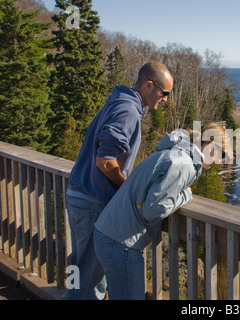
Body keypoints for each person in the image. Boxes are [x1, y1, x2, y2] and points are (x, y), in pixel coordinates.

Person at [65, 61, 174, 300]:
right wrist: (128, 189)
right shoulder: (127, 110)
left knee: (83, 273)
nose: (165, 99)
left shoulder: (120, 101)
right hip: (93, 200)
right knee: (86, 284)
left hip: (80, 196)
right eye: (164, 93)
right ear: (149, 85)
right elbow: (104, 161)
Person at [93, 123, 227, 300]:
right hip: (121, 242)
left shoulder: (175, 153)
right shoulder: (184, 163)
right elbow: (154, 209)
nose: (220, 160)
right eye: (222, 154)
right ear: (211, 146)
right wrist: (185, 196)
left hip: (110, 233)